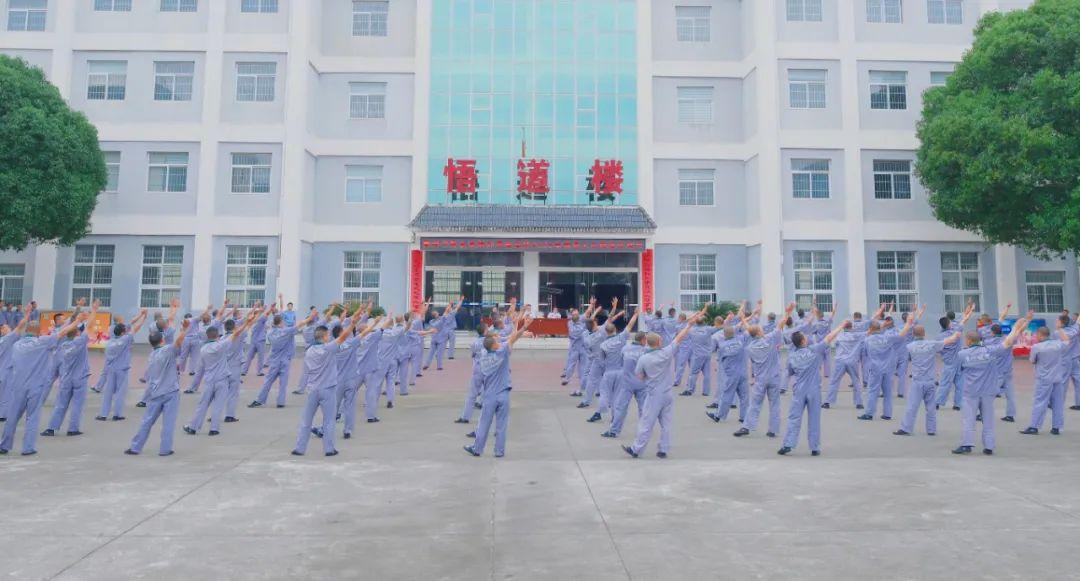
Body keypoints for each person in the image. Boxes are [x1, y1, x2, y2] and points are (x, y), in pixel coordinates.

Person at [0, 305, 87, 455]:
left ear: (26, 331)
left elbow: (18, 328)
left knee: (12, 417)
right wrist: (77, 321)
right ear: (39, 332)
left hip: (18, 387)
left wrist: (27, 314)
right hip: (36, 387)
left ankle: (4, 445)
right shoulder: (42, 342)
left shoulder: (16, 345)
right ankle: (28, 448)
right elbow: (63, 332)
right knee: (32, 417)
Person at [621, 305, 705, 459]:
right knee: (666, 423)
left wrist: (648, 377)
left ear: (647, 343)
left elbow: (639, 376)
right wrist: (689, 325)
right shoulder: (666, 353)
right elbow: (678, 338)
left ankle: (636, 449)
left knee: (646, 422)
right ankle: (663, 449)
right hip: (667, 393)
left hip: (654, 394)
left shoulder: (644, 358)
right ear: (659, 342)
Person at [951, 311, 1029, 455]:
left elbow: (960, 370)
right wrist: (1016, 328)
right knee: (988, 420)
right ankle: (989, 446)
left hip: (971, 392)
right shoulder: (990, 351)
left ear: (968, 341)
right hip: (988, 391)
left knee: (969, 419)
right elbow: (1007, 342)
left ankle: (967, 444)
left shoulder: (962, 354)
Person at [291, 308, 364, 457]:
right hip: (328, 389)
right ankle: (329, 449)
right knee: (329, 420)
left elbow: (306, 372)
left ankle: (299, 448)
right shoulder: (328, 348)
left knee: (306, 420)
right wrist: (352, 325)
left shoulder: (309, 351)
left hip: (313, 389)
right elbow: (343, 337)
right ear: (325, 337)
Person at [463, 314, 533, 458]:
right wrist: (524, 327)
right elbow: (512, 338)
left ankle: (477, 448)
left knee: (484, 423)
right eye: (497, 341)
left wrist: (512, 334)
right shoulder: (502, 353)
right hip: (503, 393)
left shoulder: (484, 354)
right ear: (494, 345)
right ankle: (499, 451)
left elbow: (502, 340)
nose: (499, 342)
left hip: (489, 395)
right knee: (501, 425)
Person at [124, 312, 192, 456]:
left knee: (147, 421)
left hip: (155, 393)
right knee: (168, 423)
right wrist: (185, 329)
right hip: (170, 392)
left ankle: (135, 447)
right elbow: (178, 342)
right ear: (162, 340)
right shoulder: (167, 350)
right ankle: (165, 449)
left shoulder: (152, 356)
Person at [182, 308, 257, 436]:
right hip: (222, 379)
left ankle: (193, 427)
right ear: (217, 335)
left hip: (209, 380)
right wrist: (246, 322)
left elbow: (201, 368)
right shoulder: (221, 345)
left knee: (203, 404)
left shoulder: (203, 349)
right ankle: (214, 429)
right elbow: (236, 334)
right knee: (218, 404)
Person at [777, 313, 844, 456]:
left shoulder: (792, 356)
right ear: (803, 341)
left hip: (799, 390)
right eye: (804, 336)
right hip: (813, 390)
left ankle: (788, 444)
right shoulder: (814, 350)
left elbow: (789, 373)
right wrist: (841, 326)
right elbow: (829, 338)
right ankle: (814, 447)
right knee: (814, 418)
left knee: (794, 417)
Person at [733, 302, 796, 439]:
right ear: (759, 333)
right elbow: (780, 325)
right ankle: (773, 430)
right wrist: (788, 312)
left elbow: (751, 331)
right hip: (774, 377)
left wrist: (743, 319)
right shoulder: (770, 339)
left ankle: (747, 427)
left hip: (760, 379)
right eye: (761, 329)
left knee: (755, 403)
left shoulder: (750, 347)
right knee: (775, 404)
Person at [42, 299, 102, 437]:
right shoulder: (80, 341)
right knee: (77, 404)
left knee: (61, 404)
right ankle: (73, 428)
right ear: (77, 333)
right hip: (80, 378)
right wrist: (94, 309)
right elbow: (89, 325)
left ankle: (51, 428)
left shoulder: (63, 345)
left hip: (66, 378)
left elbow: (69, 330)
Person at [893, 316, 961, 437]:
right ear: (924, 334)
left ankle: (906, 428)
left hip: (917, 382)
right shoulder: (932, 344)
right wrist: (958, 329)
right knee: (931, 408)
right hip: (930, 381)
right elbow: (950, 340)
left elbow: (899, 340)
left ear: (913, 334)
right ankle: (931, 430)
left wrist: (907, 324)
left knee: (912, 406)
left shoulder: (910, 346)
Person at [250, 295, 316, 409]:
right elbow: (300, 324)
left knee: (268, 381)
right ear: (281, 323)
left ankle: (260, 400)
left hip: (275, 361)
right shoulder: (287, 331)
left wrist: (271, 309)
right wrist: (311, 317)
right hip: (285, 361)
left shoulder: (270, 333)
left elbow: (277, 317)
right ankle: (280, 402)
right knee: (283, 383)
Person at [856, 304, 917, 422]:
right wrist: (909, 323)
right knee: (888, 392)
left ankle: (869, 413)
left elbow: (865, 353)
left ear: (870, 329)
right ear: (880, 328)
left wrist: (878, 325)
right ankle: (887, 414)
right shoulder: (888, 338)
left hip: (875, 369)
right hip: (888, 368)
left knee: (872, 391)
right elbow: (902, 334)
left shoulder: (867, 340)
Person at [96, 309, 148, 422]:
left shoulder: (109, 342)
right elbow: (136, 328)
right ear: (122, 332)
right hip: (122, 369)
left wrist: (140, 315)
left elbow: (131, 325)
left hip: (111, 369)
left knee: (108, 392)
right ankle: (117, 414)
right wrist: (144, 317)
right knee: (120, 392)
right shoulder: (125, 339)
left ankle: (103, 414)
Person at [588, 307, 639, 423]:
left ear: (606, 332)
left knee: (604, 393)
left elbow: (602, 360)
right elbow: (629, 326)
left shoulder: (603, 345)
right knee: (617, 396)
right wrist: (636, 314)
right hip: (620, 371)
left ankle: (601, 410)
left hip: (608, 372)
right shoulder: (621, 338)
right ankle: (614, 417)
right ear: (615, 329)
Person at [1020, 320, 1071, 436]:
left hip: (1044, 378)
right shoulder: (1058, 344)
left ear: (1040, 335)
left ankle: (1034, 426)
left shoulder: (1037, 347)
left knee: (1040, 402)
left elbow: (1032, 360)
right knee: (1058, 403)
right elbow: (1067, 341)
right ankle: (1057, 427)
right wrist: (1060, 328)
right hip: (1057, 377)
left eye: (1036, 335)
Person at [603, 331, 649, 438]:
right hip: (641, 383)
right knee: (643, 408)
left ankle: (614, 431)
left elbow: (621, 364)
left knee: (621, 408)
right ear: (643, 340)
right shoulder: (645, 351)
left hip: (627, 383)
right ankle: (644, 431)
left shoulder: (625, 349)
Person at [935, 301, 976, 410]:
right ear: (949, 324)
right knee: (960, 384)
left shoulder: (939, 336)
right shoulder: (956, 329)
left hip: (948, 363)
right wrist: (971, 308)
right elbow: (965, 317)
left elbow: (938, 350)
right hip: (959, 361)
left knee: (944, 383)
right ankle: (958, 404)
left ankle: (937, 402)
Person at [455, 323, 490, 424]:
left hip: (478, 369)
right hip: (488, 368)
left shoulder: (474, 342)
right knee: (490, 392)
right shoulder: (489, 341)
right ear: (485, 331)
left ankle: (465, 417)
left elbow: (473, 354)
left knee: (472, 394)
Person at [423, 297, 462, 372]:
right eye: (437, 313)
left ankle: (426, 364)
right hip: (441, 339)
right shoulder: (442, 319)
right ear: (436, 315)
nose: (438, 313)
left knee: (430, 352)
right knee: (440, 353)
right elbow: (447, 311)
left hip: (434, 339)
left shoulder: (431, 322)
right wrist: (450, 304)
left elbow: (446, 312)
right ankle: (439, 366)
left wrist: (428, 302)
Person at [241, 301, 270, 376]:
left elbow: (249, 315)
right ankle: (259, 371)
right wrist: (263, 308)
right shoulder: (261, 319)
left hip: (253, 341)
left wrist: (256, 306)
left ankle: (244, 371)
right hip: (260, 341)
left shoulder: (252, 321)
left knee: (249, 356)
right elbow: (266, 314)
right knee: (260, 357)